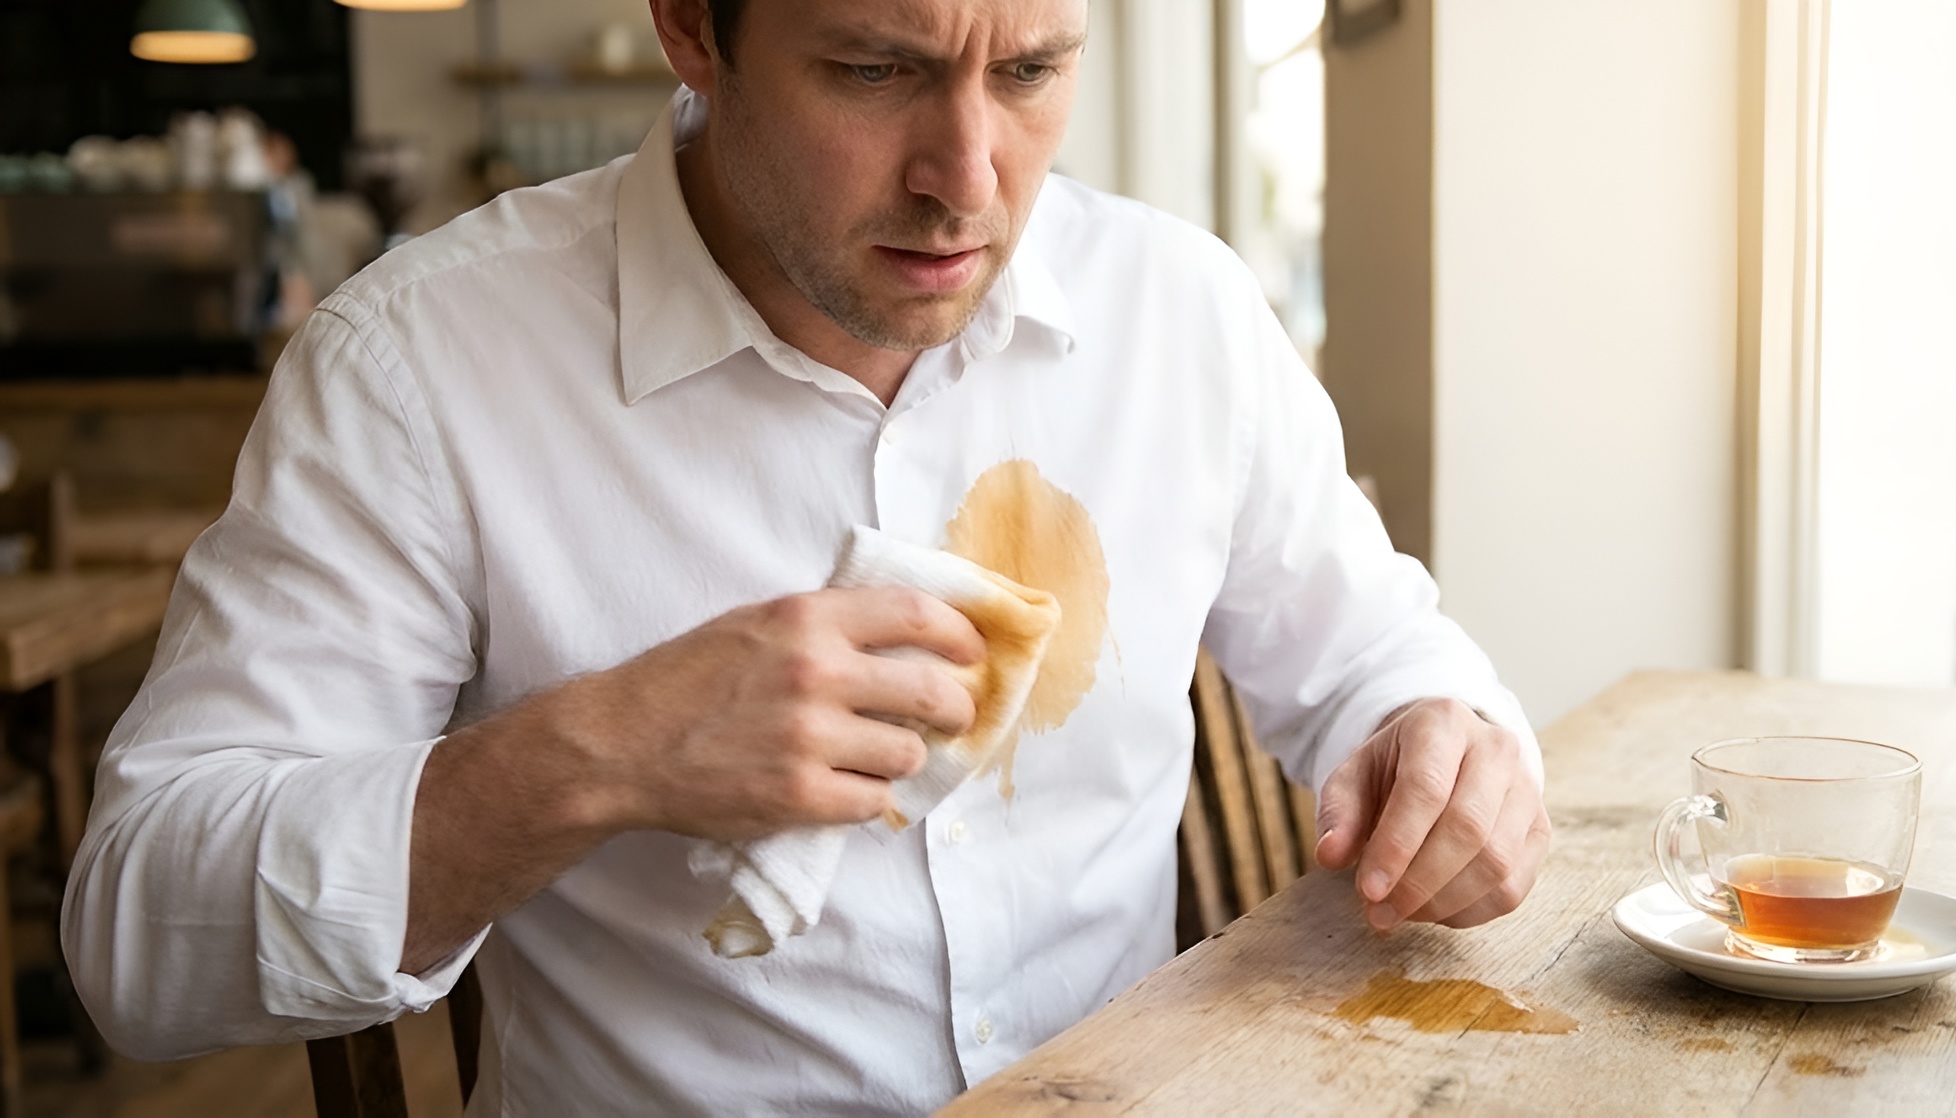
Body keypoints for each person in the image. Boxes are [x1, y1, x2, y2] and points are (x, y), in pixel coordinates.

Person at [61, 0, 1550, 1112]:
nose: (968, 180)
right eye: (876, 69)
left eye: (1030, 71)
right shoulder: (419, 368)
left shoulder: (1184, 316)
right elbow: (136, 933)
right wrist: (593, 755)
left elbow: (1378, 656)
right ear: (692, 28)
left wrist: (1443, 740)